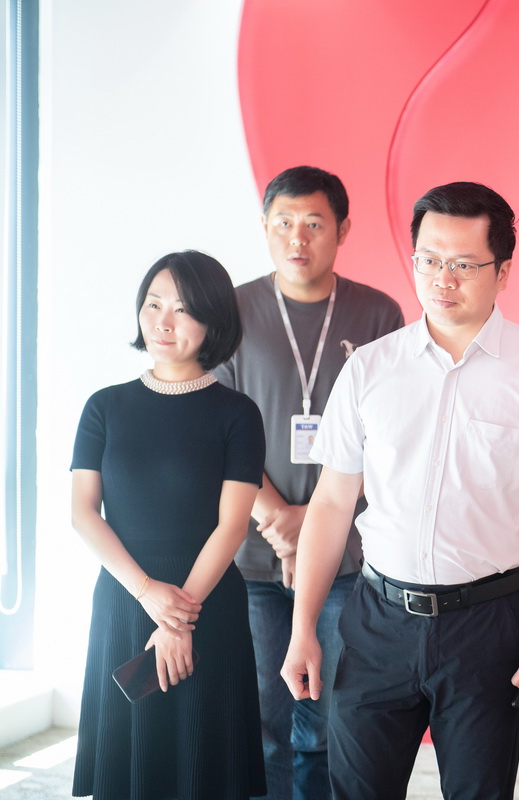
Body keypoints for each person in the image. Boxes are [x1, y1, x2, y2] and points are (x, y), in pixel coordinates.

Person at [279, 181, 519, 800]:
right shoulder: (370, 367)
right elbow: (332, 504)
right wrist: (303, 625)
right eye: (429, 260)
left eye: (464, 264)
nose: (443, 279)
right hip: (377, 621)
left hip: (487, 627)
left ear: (502, 272)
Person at [213, 166, 404, 800]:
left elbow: (391, 434)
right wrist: (280, 522)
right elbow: (217, 426)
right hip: (251, 555)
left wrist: (315, 522)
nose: (299, 238)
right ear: (265, 227)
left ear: (343, 230)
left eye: (315, 223)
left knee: (330, 717)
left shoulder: (378, 313)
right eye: (285, 223)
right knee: (262, 718)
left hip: (346, 556)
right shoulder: (232, 311)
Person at [70, 251, 267, 799]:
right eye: (153, 304)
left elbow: (232, 526)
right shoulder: (104, 407)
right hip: (125, 599)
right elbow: (82, 513)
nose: (163, 321)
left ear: (213, 321)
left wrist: (178, 619)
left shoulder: (238, 414)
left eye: (182, 309)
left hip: (207, 604)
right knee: (128, 770)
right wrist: (148, 594)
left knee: (204, 766)